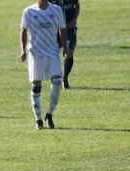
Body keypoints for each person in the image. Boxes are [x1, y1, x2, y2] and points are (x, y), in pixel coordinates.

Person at [20, 0, 67, 129]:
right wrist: (23, 50)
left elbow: (62, 29)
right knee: (36, 86)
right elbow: (24, 31)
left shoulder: (56, 10)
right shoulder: (29, 11)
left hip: (52, 52)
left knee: (57, 83)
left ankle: (49, 115)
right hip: (35, 54)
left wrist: (65, 48)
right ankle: (38, 119)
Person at [50, 0, 80, 89]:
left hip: (69, 28)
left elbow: (77, 5)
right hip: (55, 30)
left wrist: (74, 20)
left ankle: (65, 78)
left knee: (69, 53)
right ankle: (56, 77)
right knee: (53, 55)